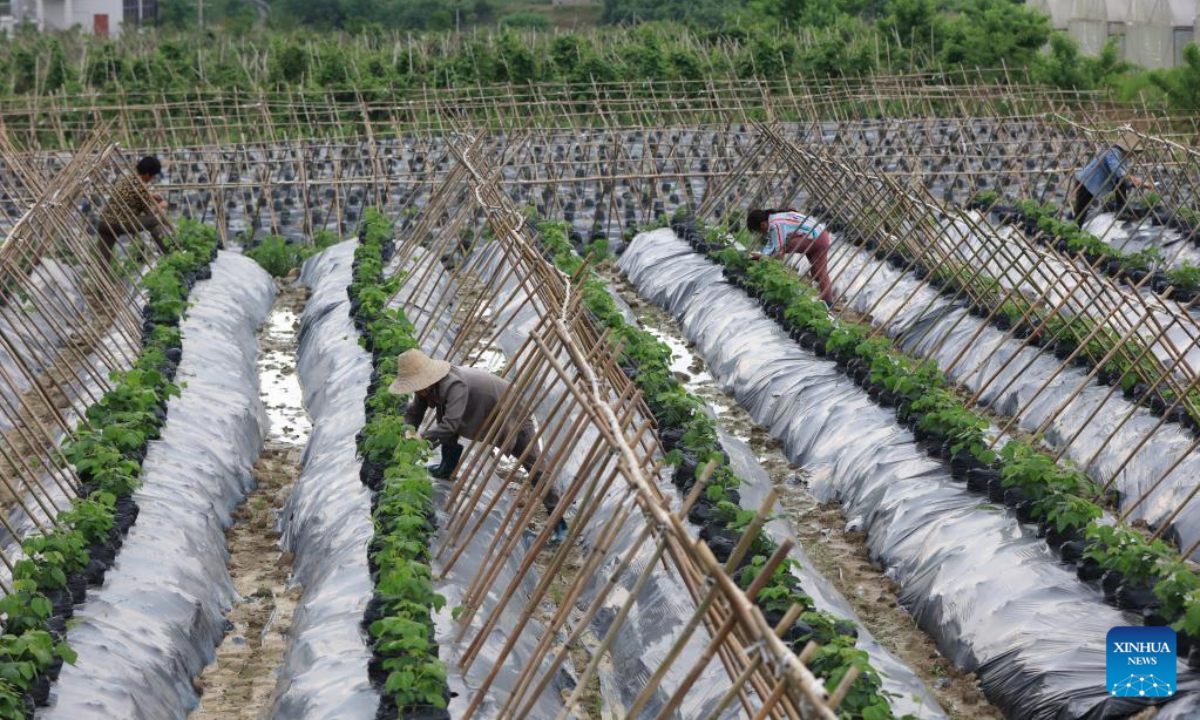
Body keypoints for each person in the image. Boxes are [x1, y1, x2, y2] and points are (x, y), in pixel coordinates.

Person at [390, 349, 569, 543]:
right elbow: (414, 412)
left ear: (426, 378)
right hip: (483, 411)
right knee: (444, 423)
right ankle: (447, 468)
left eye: (417, 385)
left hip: (511, 413)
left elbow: (450, 425)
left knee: (533, 464)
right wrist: (408, 431)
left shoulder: (453, 385)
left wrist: (420, 439)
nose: (416, 391)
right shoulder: (426, 387)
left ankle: (558, 520)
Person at [746, 208, 834, 304]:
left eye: (758, 231)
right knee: (818, 271)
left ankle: (827, 301)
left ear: (762, 225)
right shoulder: (773, 220)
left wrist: (767, 261)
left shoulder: (776, 224)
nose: (760, 233)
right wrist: (762, 255)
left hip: (816, 237)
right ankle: (827, 300)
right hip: (819, 235)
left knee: (784, 247)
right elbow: (772, 243)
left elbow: (779, 249)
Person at [1072, 131, 1153, 228]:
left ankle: (1121, 210)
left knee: (1121, 181)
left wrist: (1138, 184)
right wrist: (1133, 178)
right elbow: (1116, 170)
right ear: (1128, 149)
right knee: (1081, 213)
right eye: (1134, 152)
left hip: (1092, 185)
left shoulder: (1121, 158)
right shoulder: (1113, 152)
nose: (1133, 155)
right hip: (1086, 183)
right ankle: (1074, 231)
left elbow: (1121, 180)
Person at [97, 155, 169, 264]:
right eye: (153, 176)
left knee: (104, 257)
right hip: (121, 222)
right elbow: (150, 212)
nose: (152, 179)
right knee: (154, 221)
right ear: (147, 174)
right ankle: (168, 251)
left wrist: (149, 194)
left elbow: (130, 195)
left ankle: (101, 273)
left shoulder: (126, 179)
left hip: (105, 222)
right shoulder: (141, 187)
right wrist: (162, 205)